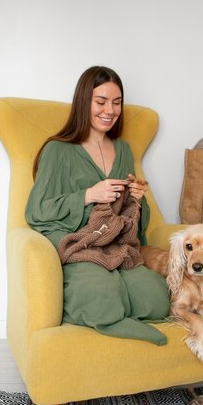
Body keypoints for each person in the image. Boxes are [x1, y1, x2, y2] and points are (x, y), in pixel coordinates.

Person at [25, 66, 169, 345]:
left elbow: (134, 221)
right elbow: (37, 209)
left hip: (115, 243)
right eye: (101, 101)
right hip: (79, 243)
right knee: (101, 298)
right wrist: (89, 195)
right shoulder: (58, 149)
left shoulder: (124, 149)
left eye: (116, 103)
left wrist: (137, 198)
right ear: (84, 102)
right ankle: (109, 314)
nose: (110, 110)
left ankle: (116, 309)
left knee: (156, 298)